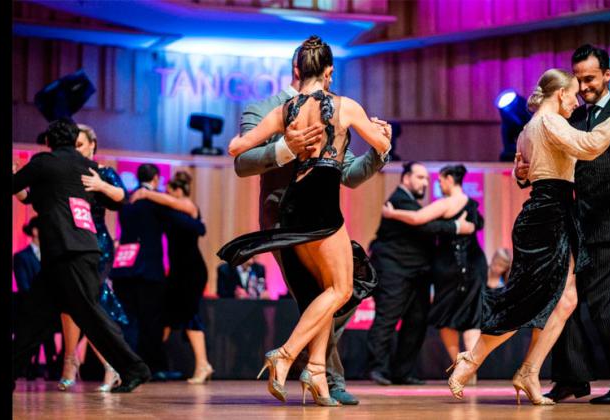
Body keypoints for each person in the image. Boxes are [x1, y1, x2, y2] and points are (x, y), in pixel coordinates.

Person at [218, 35, 391, 406]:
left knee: (332, 293)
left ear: (299, 68)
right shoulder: (333, 106)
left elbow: (235, 146)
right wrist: (286, 147)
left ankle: (316, 370)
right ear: (328, 71)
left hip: (303, 205)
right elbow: (241, 162)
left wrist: (374, 158)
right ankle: (295, 360)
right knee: (337, 290)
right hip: (297, 212)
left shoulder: (289, 111)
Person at [445, 68, 610, 405]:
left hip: (553, 212)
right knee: (525, 300)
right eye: (573, 94)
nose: (576, 102)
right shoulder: (548, 122)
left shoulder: (529, 129)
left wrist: (523, 173)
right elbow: (589, 145)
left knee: (566, 300)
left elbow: (529, 173)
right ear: (559, 93)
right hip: (548, 216)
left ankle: (529, 372)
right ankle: (469, 361)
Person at [521, 44, 610, 405]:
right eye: (579, 79)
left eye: (590, 78)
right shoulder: (571, 117)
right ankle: (572, 379)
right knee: (563, 302)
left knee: (602, 301)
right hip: (577, 227)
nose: (583, 86)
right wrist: (525, 172)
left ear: (607, 75)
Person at [12, 118, 150, 393]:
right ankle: (131, 368)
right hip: (78, 250)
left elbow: (22, 190)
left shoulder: (44, 163)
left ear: (49, 141)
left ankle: (134, 368)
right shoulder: (87, 167)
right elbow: (118, 200)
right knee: (34, 317)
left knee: (88, 314)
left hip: (68, 251)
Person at [380, 164, 485, 386]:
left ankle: (460, 368)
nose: (436, 184)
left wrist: (392, 213)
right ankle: (470, 369)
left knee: (447, 316)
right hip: (475, 264)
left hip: (451, 267)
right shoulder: (471, 203)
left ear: (448, 179)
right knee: (472, 316)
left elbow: (418, 219)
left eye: (439, 180)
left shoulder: (447, 203)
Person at [55, 123, 131, 392]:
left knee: (84, 303)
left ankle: (98, 365)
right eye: (72, 145)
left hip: (97, 244)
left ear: (92, 146)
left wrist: (100, 184)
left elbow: (123, 196)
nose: (74, 150)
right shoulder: (64, 171)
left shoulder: (103, 172)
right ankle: (74, 362)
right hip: (68, 243)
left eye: (79, 145)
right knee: (70, 303)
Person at [129, 170, 213, 384]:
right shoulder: (171, 210)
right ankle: (149, 364)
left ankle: (203, 364)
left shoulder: (188, 205)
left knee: (189, 314)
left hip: (191, 271)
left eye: (168, 192)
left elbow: (177, 206)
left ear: (177, 191)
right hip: (176, 271)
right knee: (166, 317)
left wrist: (147, 194)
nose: (165, 196)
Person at [13, 216, 61, 380]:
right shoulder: (21, 257)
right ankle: (46, 366)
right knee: (41, 321)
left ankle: (59, 363)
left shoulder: (53, 256)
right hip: (31, 307)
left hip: (53, 307)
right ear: (35, 231)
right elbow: (23, 286)